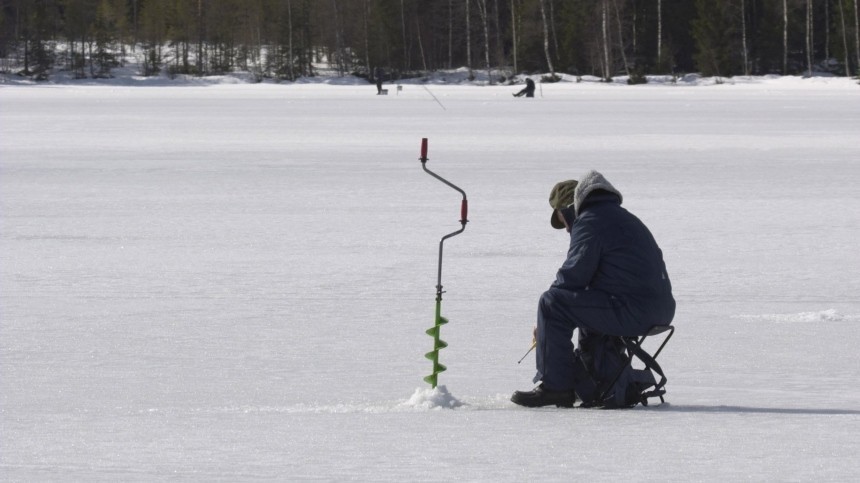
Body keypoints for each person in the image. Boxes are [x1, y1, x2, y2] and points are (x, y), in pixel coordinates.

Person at [511, 170, 675, 408]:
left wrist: (544, 324)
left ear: (568, 209)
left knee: (551, 303)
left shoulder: (590, 222)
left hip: (635, 309)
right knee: (578, 304)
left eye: (562, 220)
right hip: (657, 308)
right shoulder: (620, 216)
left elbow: (573, 276)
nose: (566, 229)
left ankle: (556, 388)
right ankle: (594, 383)